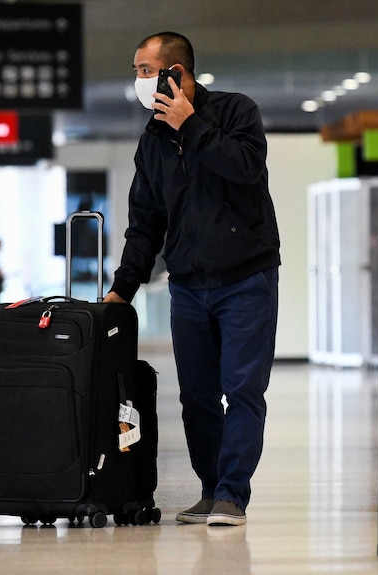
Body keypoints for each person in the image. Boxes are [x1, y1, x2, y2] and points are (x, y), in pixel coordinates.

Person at [104, 31, 281, 527]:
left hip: (247, 279)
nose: (139, 80)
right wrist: (123, 288)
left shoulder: (235, 112)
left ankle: (232, 494)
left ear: (175, 73)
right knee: (197, 395)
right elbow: (145, 224)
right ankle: (210, 489)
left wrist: (193, 125)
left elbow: (246, 169)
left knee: (242, 389)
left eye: (145, 70)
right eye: (136, 71)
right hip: (187, 285)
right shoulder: (152, 140)